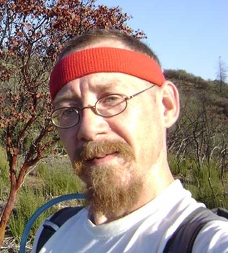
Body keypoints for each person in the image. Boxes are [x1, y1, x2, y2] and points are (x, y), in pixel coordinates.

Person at [32, 29, 228, 252]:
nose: (88, 128)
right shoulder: (52, 232)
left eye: (112, 99)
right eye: (68, 110)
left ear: (166, 106)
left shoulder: (205, 242)